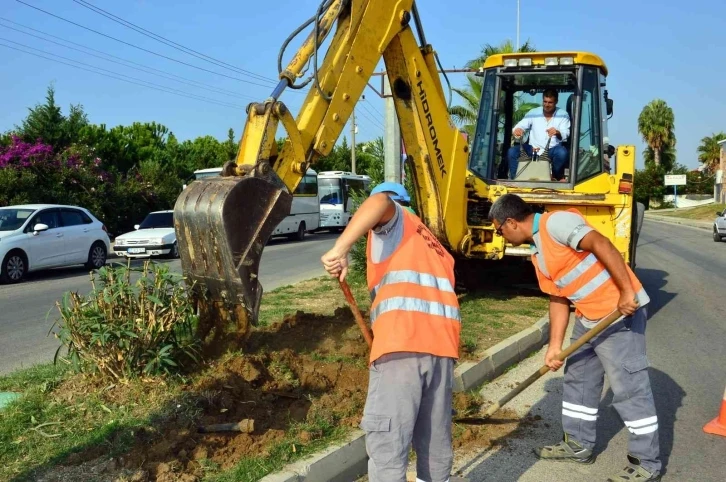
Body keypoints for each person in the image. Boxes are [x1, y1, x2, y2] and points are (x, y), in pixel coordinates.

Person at [488, 194, 661, 482]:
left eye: (498, 230)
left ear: (511, 222)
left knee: (629, 389)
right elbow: (558, 299)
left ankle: (646, 463)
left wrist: (626, 291)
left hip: (619, 316)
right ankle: (578, 445)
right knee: (578, 380)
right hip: (588, 318)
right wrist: (555, 347)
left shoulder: (556, 222)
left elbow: (601, 244)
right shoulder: (537, 253)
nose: (500, 236)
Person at [321, 182, 461, 482]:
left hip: (402, 348)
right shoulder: (435, 246)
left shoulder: (394, 221)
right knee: (434, 442)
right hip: (443, 352)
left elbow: (380, 202)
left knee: (388, 445)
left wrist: (340, 248)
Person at [507, 89, 570, 180]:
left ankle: (556, 177)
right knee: (512, 152)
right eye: (545, 101)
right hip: (532, 148)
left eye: (550, 102)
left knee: (562, 152)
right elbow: (519, 126)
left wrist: (557, 132)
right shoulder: (534, 113)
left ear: (556, 102)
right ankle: (515, 179)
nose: (547, 105)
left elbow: (565, 134)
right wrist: (518, 130)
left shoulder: (563, 115)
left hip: (551, 150)